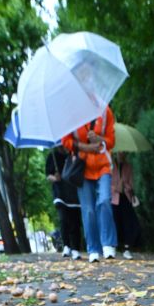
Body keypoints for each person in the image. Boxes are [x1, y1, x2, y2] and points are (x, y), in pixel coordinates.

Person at [62, 106, 117, 263]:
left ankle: (107, 244)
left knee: (104, 200)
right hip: (82, 168)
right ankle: (93, 249)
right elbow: (66, 141)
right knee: (88, 210)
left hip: (103, 166)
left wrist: (99, 139)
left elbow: (111, 141)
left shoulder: (105, 111)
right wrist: (85, 147)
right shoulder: (70, 113)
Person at [45, 146, 82, 259]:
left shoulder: (73, 155)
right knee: (64, 219)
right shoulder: (52, 156)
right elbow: (48, 175)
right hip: (59, 193)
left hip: (74, 192)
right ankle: (67, 245)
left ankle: (75, 248)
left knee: (75, 221)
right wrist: (55, 178)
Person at [111, 152, 142, 259]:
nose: (121, 154)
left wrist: (124, 186)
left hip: (125, 198)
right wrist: (115, 188)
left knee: (128, 223)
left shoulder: (128, 166)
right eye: (120, 152)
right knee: (115, 222)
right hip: (113, 199)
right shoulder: (110, 166)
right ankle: (113, 246)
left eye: (124, 152)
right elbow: (107, 183)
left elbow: (131, 184)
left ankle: (127, 248)